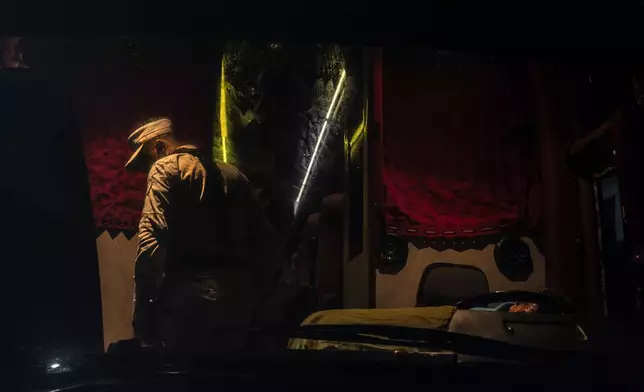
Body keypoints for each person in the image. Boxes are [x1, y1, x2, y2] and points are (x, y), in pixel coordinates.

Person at [125, 117, 281, 352]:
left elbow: (152, 240)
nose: (148, 168)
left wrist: (143, 310)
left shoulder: (165, 168)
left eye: (147, 160)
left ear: (159, 148)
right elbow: (267, 243)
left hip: (189, 300)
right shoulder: (234, 174)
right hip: (239, 300)